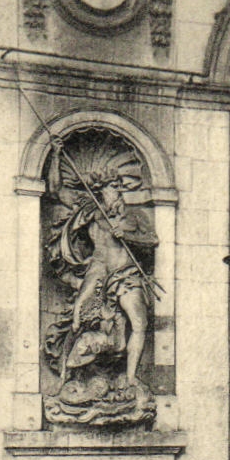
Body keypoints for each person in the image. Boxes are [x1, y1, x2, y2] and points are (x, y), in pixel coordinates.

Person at [44, 139, 158, 391]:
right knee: (79, 315)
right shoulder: (93, 213)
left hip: (126, 275)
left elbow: (152, 241)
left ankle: (129, 378)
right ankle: (67, 373)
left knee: (139, 324)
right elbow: (55, 190)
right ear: (100, 194)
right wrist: (55, 154)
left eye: (115, 190)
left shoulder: (133, 218)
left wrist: (127, 236)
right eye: (106, 192)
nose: (112, 196)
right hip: (98, 270)